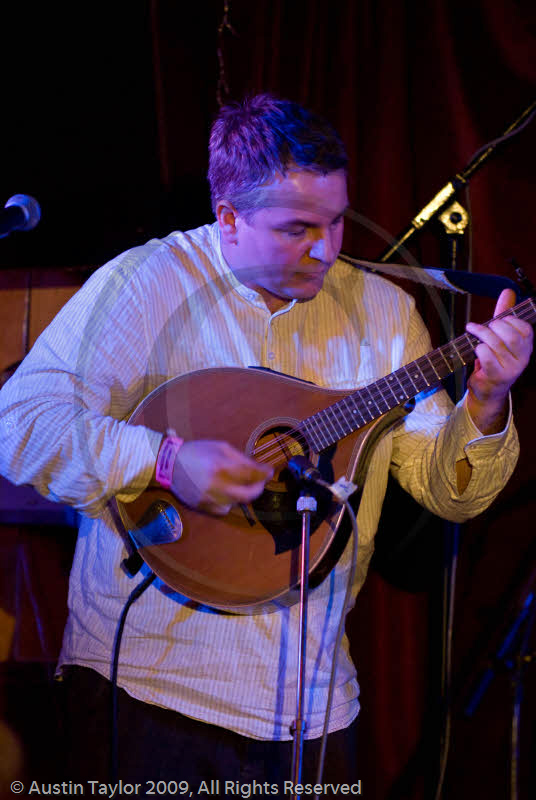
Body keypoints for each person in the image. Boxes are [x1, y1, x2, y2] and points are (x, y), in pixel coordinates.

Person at [0, 94, 532, 793]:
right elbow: (20, 423)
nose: (328, 248)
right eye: (296, 228)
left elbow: (447, 488)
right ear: (228, 218)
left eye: (338, 220)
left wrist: (487, 400)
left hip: (310, 710)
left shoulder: (383, 314)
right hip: (151, 694)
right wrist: (162, 460)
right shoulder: (147, 284)